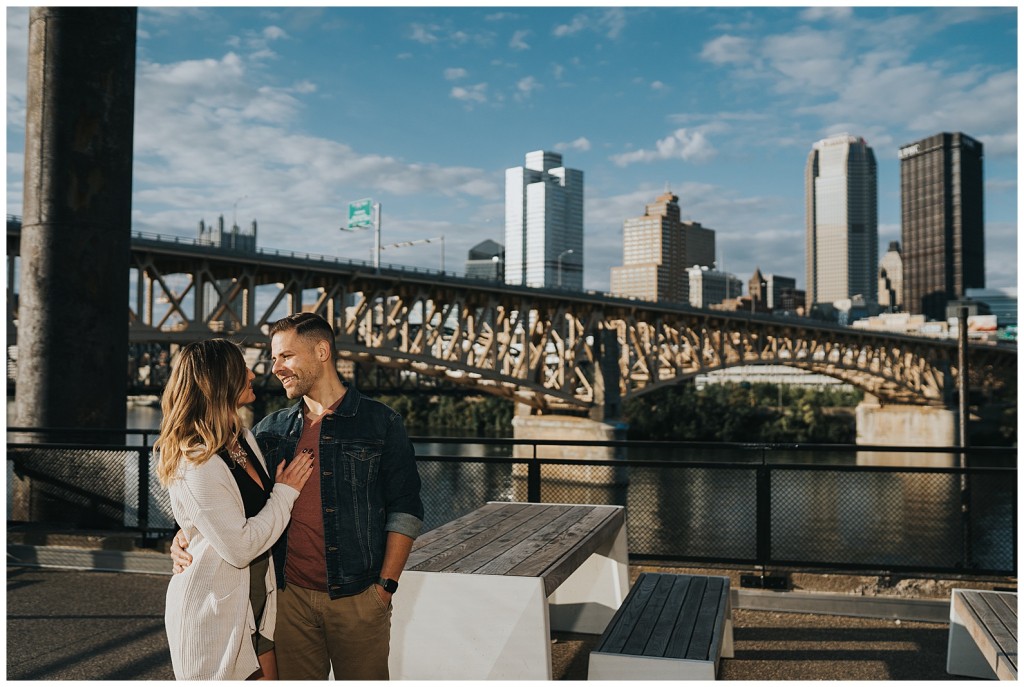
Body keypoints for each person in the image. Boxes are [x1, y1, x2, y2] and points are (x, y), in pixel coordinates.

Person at [171, 313, 424, 680]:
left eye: (285, 356)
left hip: (358, 598)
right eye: (274, 359)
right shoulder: (270, 430)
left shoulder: (381, 423)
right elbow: (223, 500)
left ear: (321, 351)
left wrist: (383, 590)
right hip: (286, 602)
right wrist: (182, 535)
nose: (275, 368)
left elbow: (406, 509)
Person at [157, 338, 316, 680]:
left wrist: (184, 534)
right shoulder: (196, 461)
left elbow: (215, 519)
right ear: (219, 381)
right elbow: (240, 547)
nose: (252, 372)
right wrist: (286, 492)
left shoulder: (241, 436)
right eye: (241, 367)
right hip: (213, 616)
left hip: (256, 608)